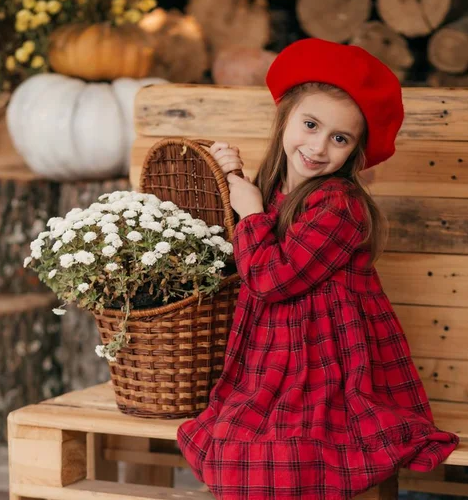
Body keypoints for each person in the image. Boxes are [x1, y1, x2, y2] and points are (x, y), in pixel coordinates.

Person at [177, 38, 459, 499]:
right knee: (232, 440)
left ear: (354, 152)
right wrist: (234, 181)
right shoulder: (271, 191)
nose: (318, 146)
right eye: (310, 124)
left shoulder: (340, 205)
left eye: (339, 138)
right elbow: (248, 258)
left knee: (286, 455)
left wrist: (249, 213)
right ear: (285, 116)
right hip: (272, 360)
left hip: (328, 363)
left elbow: (271, 278)